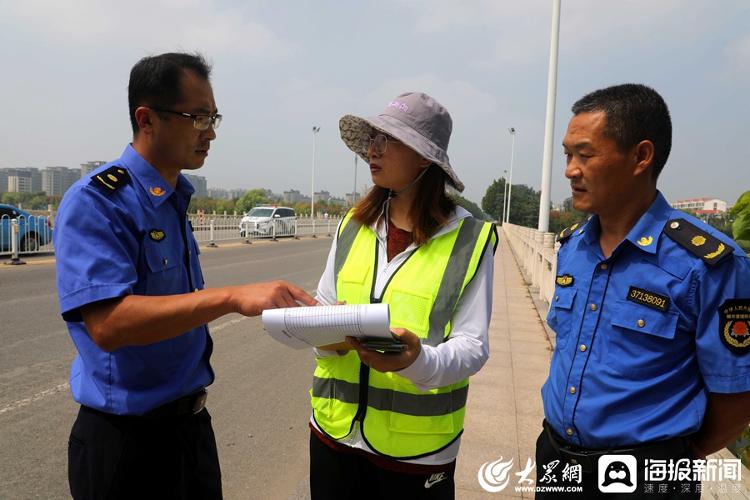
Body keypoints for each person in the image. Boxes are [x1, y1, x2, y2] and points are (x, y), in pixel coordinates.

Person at [54, 52, 315, 500]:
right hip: (126, 446)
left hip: (189, 430)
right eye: (197, 117)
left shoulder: (174, 197)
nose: (210, 132)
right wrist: (231, 298)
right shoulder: (99, 201)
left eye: (213, 117)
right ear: (147, 118)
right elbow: (108, 324)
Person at [537, 83, 750, 498]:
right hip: (556, 461)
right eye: (567, 155)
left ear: (641, 157)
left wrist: (675, 457)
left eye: (585, 154)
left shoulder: (706, 263)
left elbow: (736, 394)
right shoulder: (572, 248)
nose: (569, 170)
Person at [308, 92, 497, 499]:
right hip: (332, 433)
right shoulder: (353, 225)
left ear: (425, 159)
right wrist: (323, 335)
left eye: (386, 141)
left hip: (416, 454)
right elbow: (324, 307)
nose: (372, 151)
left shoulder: (470, 239)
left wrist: (417, 361)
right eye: (372, 141)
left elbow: (473, 346)